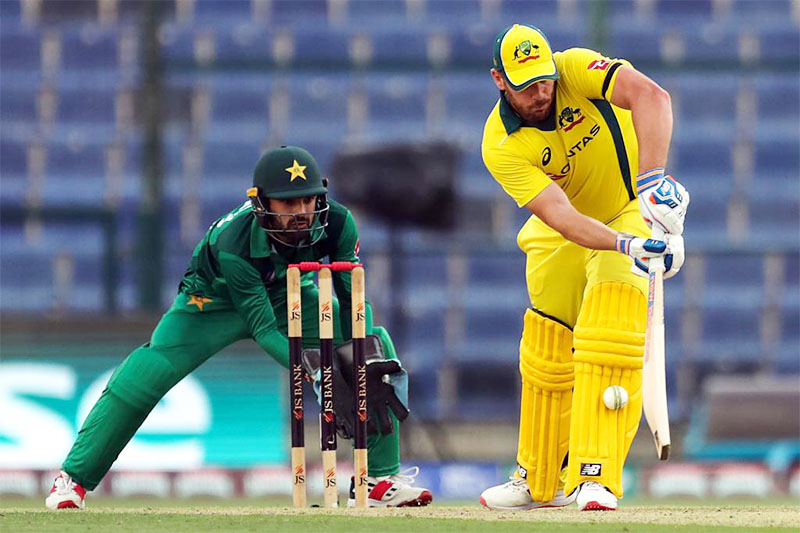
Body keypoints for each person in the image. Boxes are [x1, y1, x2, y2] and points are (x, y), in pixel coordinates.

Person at [46, 146, 433, 510]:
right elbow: (264, 330)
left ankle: (377, 481)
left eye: (307, 200)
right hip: (212, 302)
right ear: (261, 203)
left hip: (287, 292)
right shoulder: (234, 240)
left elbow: (353, 299)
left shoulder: (338, 222)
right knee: (146, 374)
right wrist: (317, 372)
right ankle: (73, 479)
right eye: (288, 202)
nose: (301, 211)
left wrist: (358, 352)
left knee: (374, 345)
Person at [478, 25, 689, 511]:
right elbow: (565, 218)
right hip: (563, 231)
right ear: (498, 80)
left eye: (544, 80)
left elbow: (651, 96)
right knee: (546, 347)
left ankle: (594, 475)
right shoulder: (500, 144)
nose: (540, 92)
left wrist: (654, 182)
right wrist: (630, 245)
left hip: (626, 206)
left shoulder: (574, 66)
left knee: (608, 331)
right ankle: (539, 479)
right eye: (525, 84)